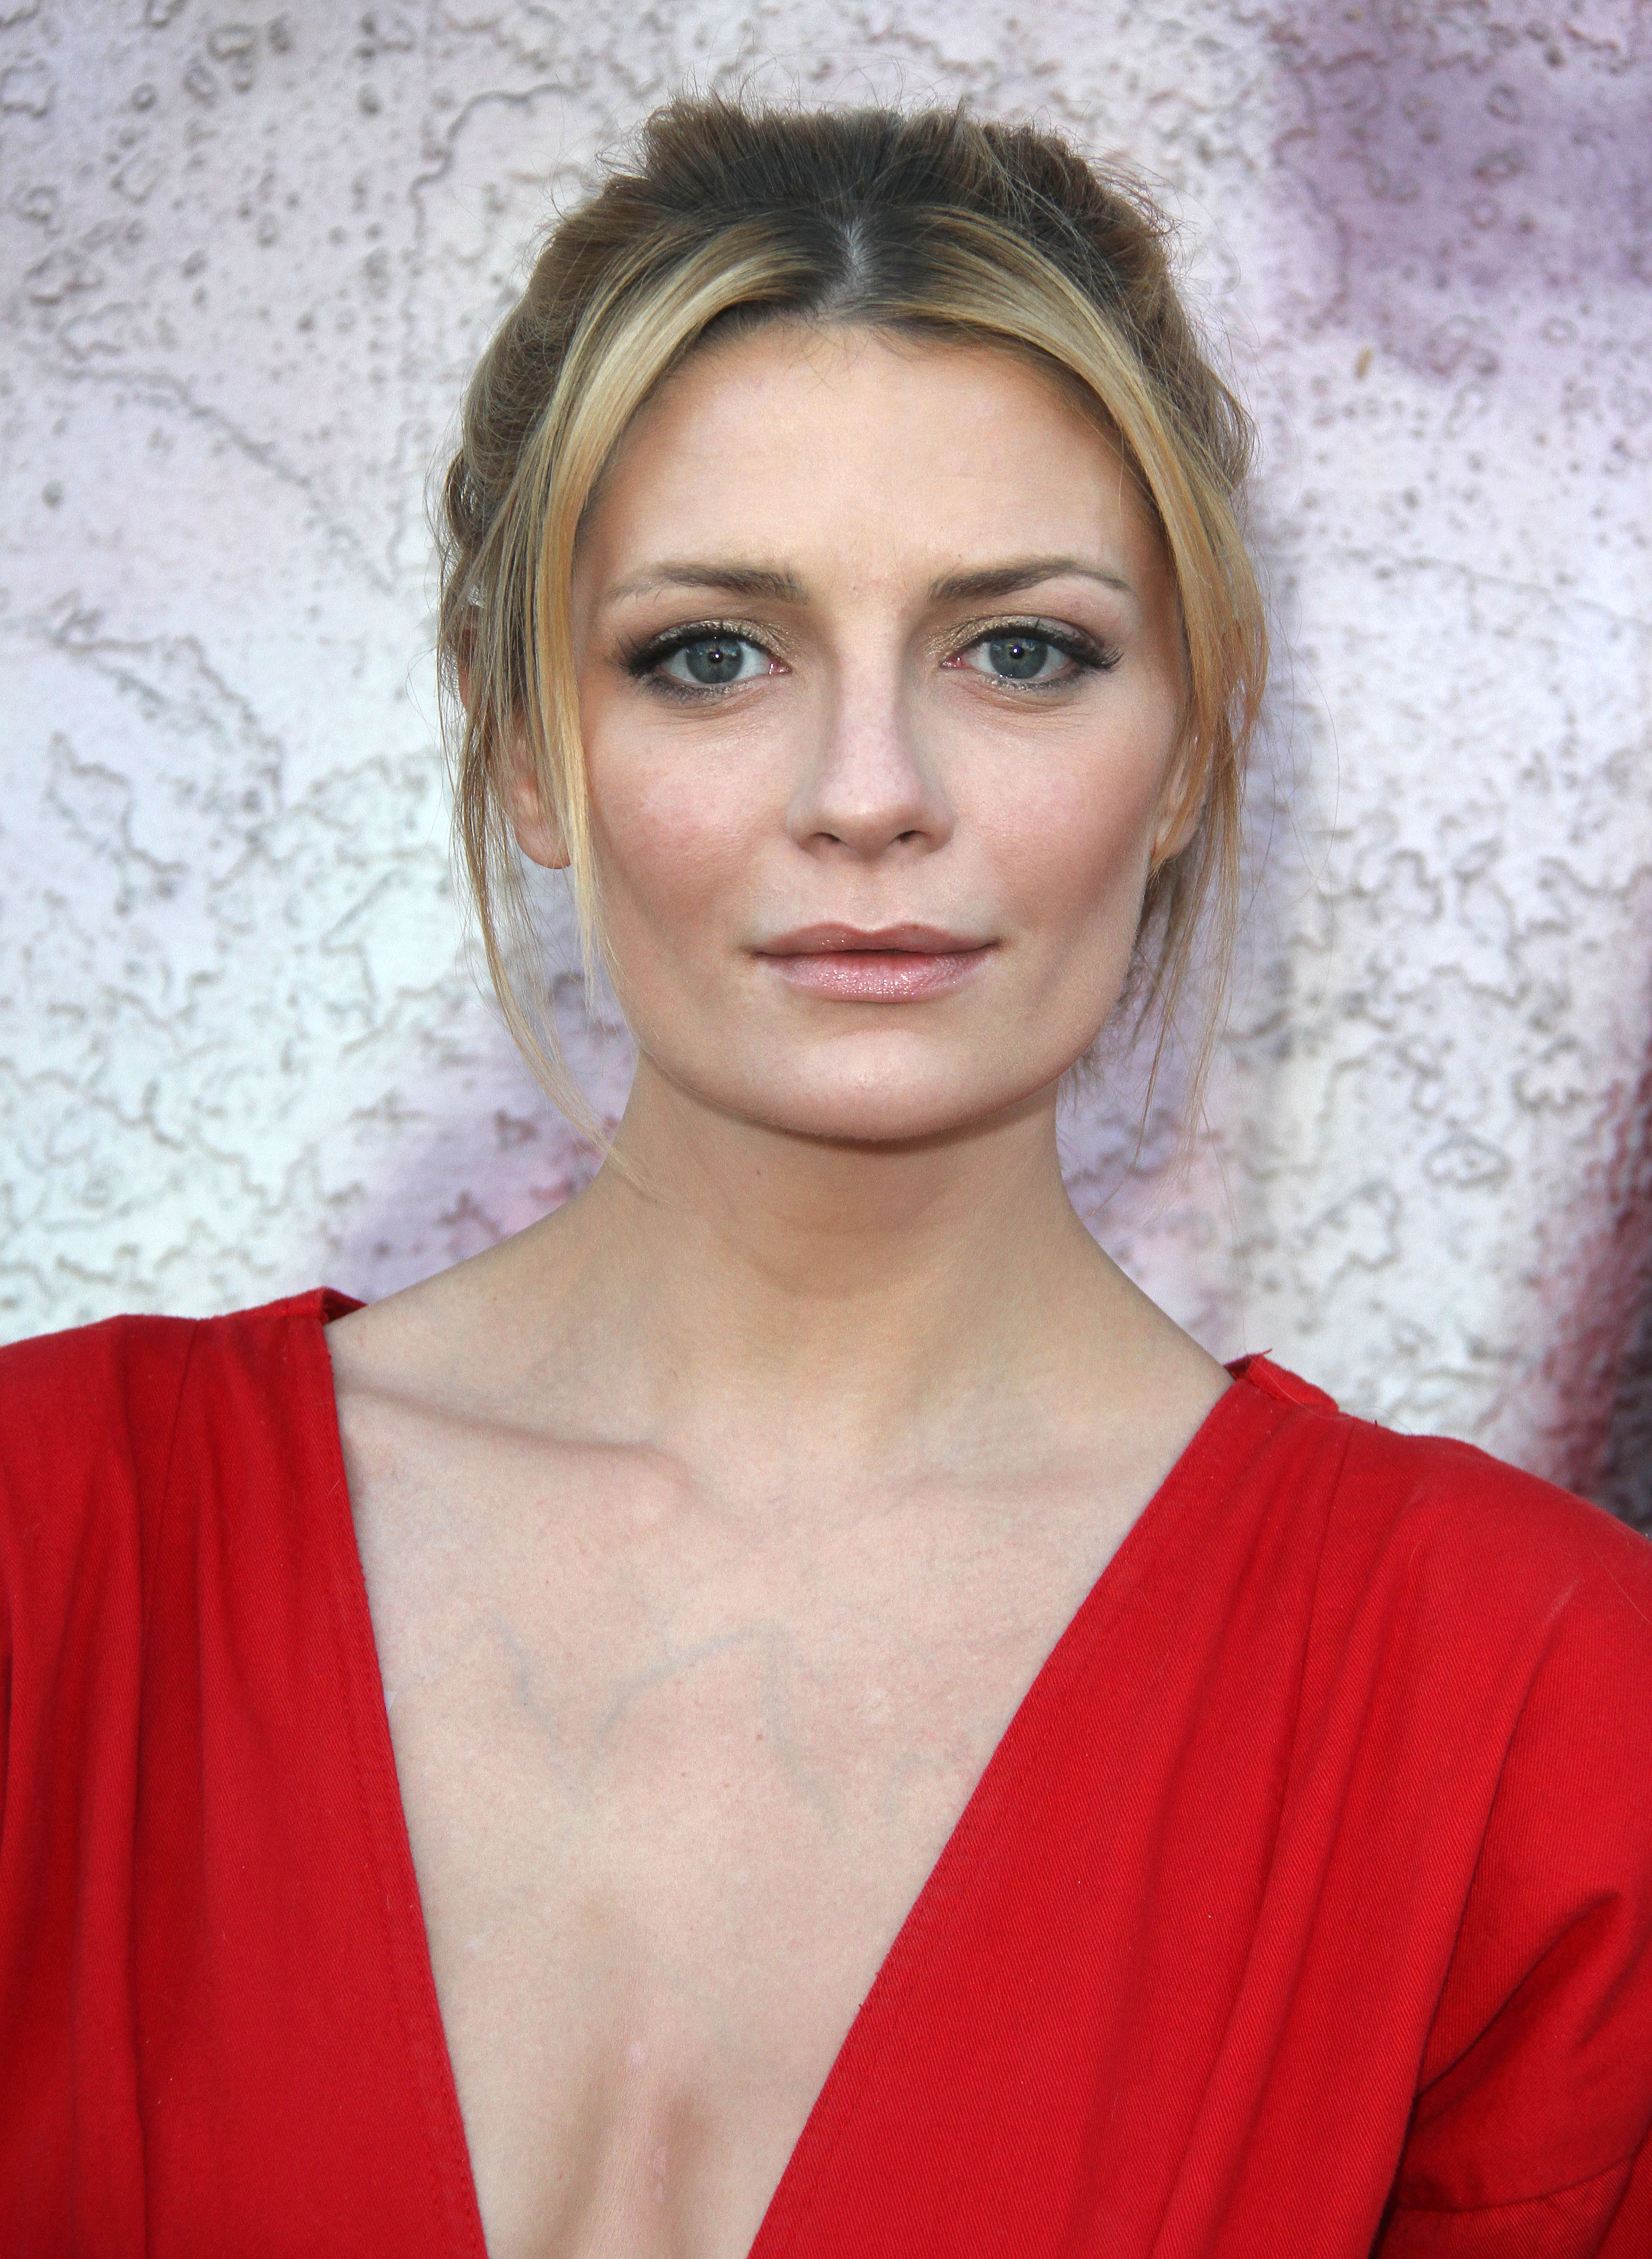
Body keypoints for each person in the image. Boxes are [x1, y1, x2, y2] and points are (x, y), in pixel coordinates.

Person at [1, 95, 1649, 2259]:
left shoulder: (1538, 1717)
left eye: (1021, 649)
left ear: (1188, 745)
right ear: (526, 743)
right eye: (711, 652)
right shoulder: (48, 1544)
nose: (870, 793)